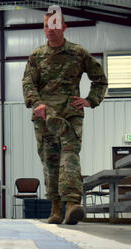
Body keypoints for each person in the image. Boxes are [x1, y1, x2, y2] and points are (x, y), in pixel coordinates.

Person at [22, 11, 108, 225]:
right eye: (46, 26)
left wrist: (91, 99)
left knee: (69, 157)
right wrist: (36, 102)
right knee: (50, 162)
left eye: (54, 25)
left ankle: (72, 204)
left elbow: (100, 79)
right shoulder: (37, 55)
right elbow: (28, 83)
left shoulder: (78, 53)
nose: (50, 29)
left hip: (70, 115)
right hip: (45, 117)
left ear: (63, 27)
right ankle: (56, 207)